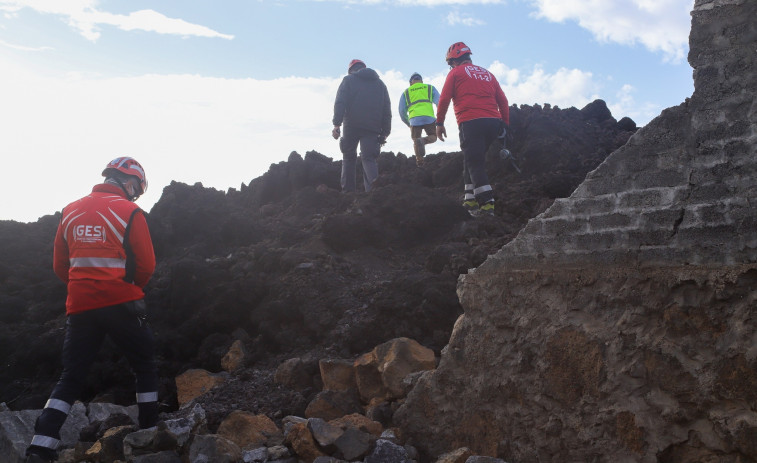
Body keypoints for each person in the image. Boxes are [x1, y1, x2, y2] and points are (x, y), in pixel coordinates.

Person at [25, 157, 158, 463]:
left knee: (71, 376)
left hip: (81, 307)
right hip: (122, 304)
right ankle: (150, 433)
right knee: (144, 365)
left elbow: (61, 265)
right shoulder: (130, 211)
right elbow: (147, 264)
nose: (135, 194)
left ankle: (39, 448)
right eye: (136, 188)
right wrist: (129, 286)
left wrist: (84, 287)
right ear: (129, 182)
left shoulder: (70, 210)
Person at [435, 42, 510, 216]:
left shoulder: (455, 73)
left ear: (454, 61)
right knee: (471, 158)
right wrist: (505, 125)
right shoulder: (487, 74)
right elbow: (503, 101)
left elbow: (444, 99)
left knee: (475, 163)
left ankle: (486, 204)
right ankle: (469, 198)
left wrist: (439, 123)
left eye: (450, 64)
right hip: (494, 122)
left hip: (471, 122)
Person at [332, 59, 392, 192]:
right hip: (372, 128)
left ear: (351, 70)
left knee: (348, 157)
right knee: (369, 158)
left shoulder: (348, 80)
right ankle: (373, 193)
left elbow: (340, 102)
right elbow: (386, 109)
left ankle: (348, 194)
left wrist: (337, 124)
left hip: (351, 125)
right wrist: (385, 131)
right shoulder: (380, 84)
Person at [398, 72, 440, 166]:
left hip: (414, 119)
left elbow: (401, 111)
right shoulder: (429, 87)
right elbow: (439, 102)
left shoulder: (406, 92)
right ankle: (424, 141)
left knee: (416, 141)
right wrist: (440, 117)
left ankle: (420, 162)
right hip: (429, 117)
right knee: (433, 136)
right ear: (421, 81)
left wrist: (408, 122)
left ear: (411, 82)